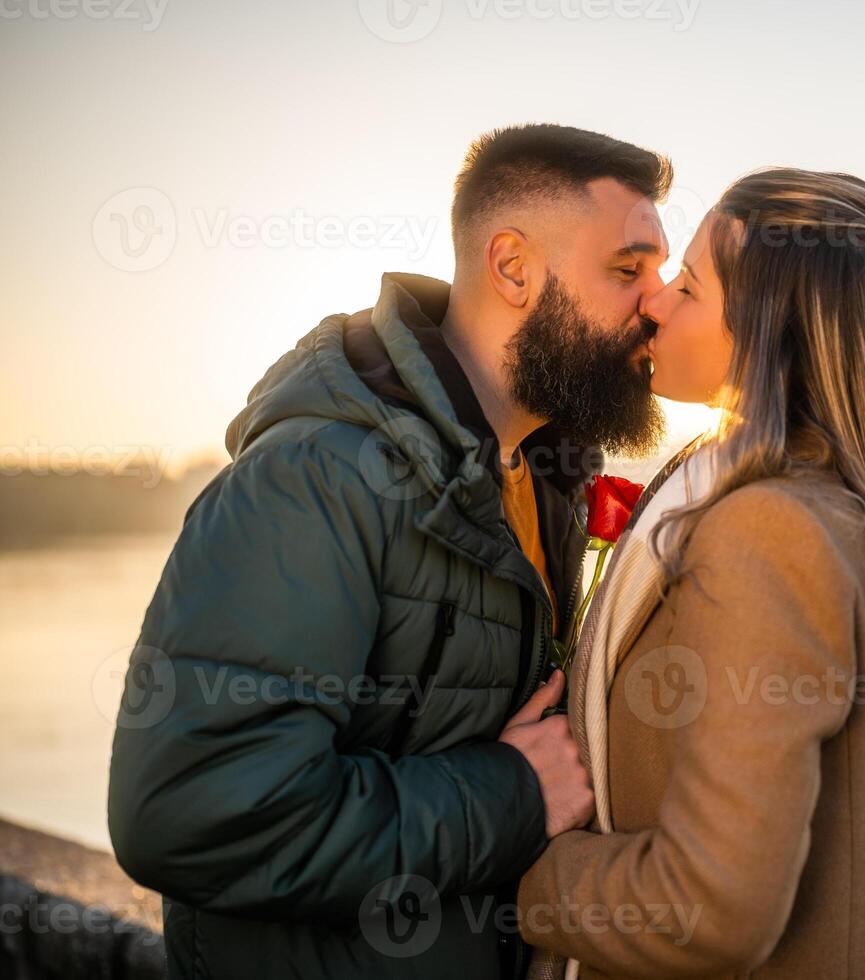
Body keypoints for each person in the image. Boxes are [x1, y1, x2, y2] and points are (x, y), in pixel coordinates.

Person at [106, 123, 673, 980]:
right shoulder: (318, 479)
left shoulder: (542, 483)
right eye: (628, 271)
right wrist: (511, 795)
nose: (657, 303)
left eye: (661, 275)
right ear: (513, 266)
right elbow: (190, 814)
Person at [518, 168, 865, 980]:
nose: (655, 302)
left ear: (769, 332)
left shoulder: (768, 531)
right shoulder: (820, 501)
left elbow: (712, 907)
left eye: (690, 287)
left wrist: (519, 868)